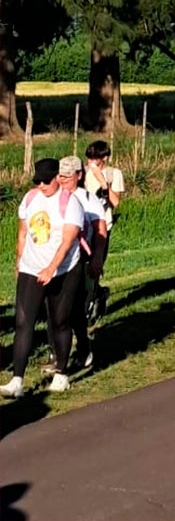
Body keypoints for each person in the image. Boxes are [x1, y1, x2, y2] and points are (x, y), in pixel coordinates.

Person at [2, 159, 85, 398]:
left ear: (57, 179)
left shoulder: (71, 203)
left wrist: (52, 267)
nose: (41, 185)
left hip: (64, 270)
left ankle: (61, 372)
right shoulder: (30, 199)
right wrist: (19, 262)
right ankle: (17, 380)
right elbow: (22, 232)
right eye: (36, 181)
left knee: (60, 320)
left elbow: (69, 240)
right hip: (32, 267)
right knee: (23, 322)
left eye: (45, 181)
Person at [57, 156, 107, 372]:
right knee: (55, 309)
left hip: (82, 259)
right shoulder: (54, 196)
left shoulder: (88, 199)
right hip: (57, 259)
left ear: (79, 175)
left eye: (68, 176)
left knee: (75, 309)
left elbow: (100, 230)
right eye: (60, 176)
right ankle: (57, 353)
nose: (63, 180)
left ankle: (83, 349)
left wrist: (96, 258)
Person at [82, 139, 123, 320]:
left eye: (95, 158)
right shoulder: (81, 172)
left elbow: (115, 202)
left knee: (94, 267)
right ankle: (93, 296)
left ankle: (90, 304)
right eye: (89, 157)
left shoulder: (114, 174)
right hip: (82, 227)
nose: (91, 161)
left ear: (105, 158)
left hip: (102, 227)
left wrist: (104, 184)